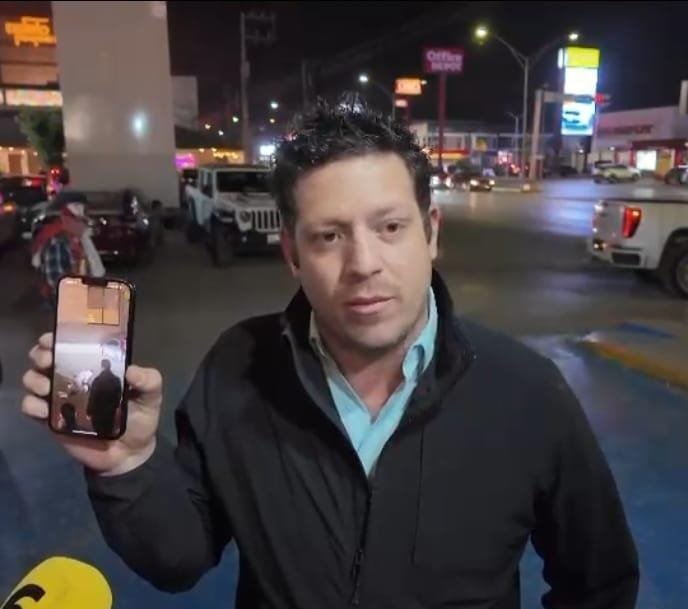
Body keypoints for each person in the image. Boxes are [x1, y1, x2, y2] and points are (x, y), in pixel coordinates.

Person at [21, 99, 639, 608]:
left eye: (390, 227)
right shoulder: (237, 369)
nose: (363, 263)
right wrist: (126, 465)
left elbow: (600, 583)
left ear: (432, 231)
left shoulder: (527, 393)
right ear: (292, 254)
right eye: (329, 236)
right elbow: (178, 560)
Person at [30, 191, 104, 308]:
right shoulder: (58, 238)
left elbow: (92, 266)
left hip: (79, 297)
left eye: (83, 207)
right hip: (67, 302)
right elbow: (56, 279)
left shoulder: (79, 235)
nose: (81, 211)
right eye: (76, 206)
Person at [86, 359, 122, 437]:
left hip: (98, 413)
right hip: (110, 412)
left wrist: (89, 412)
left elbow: (93, 398)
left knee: (99, 432)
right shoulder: (117, 380)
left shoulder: (97, 380)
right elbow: (118, 397)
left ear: (102, 367)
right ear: (110, 367)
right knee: (108, 430)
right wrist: (115, 407)